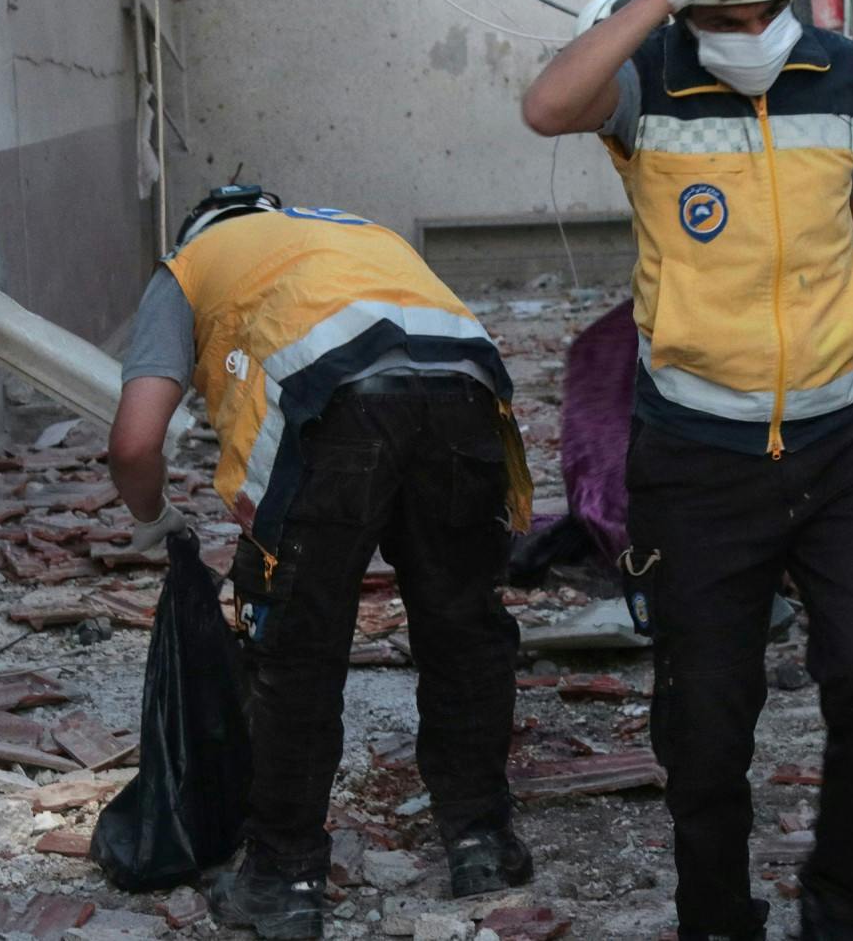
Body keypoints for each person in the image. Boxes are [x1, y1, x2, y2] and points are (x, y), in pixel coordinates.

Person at [520, 0, 853, 941]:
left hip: (839, 441)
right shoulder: (646, 82)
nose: (750, 28)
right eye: (725, 9)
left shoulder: (849, 80)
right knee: (705, 727)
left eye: (764, 5)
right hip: (695, 455)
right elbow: (545, 106)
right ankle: (717, 918)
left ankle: (841, 910)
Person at [108, 187, 535, 941]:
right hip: (466, 390)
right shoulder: (356, 232)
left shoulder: (188, 265)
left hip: (333, 405)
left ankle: (284, 877)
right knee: (464, 627)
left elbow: (135, 443)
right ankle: (482, 842)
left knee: (296, 650)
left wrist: (151, 521)